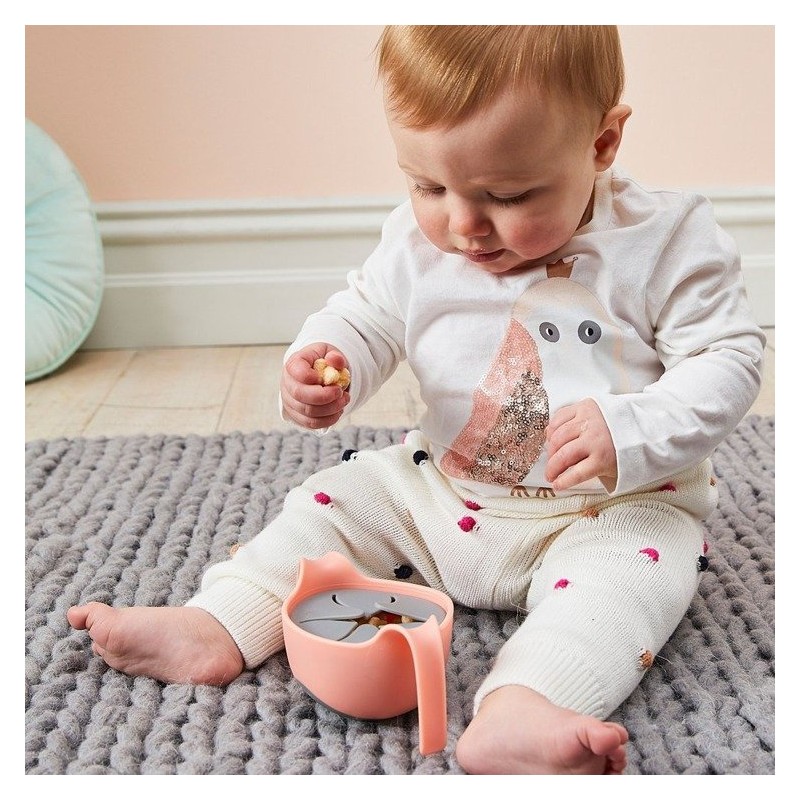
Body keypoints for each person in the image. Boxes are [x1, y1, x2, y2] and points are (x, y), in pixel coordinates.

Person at [67, 25, 765, 775]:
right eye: (428, 187)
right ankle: (221, 621)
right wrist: (329, 358)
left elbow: (726, 359)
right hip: (442, 495)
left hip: (611, 506)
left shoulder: (665, 240)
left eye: (507, 195)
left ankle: (525, 704)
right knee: (334, 502)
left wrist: (632, 428)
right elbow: (369, 313)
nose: (463, 226)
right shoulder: (416, 242)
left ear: (601, 143)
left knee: (634, 580)